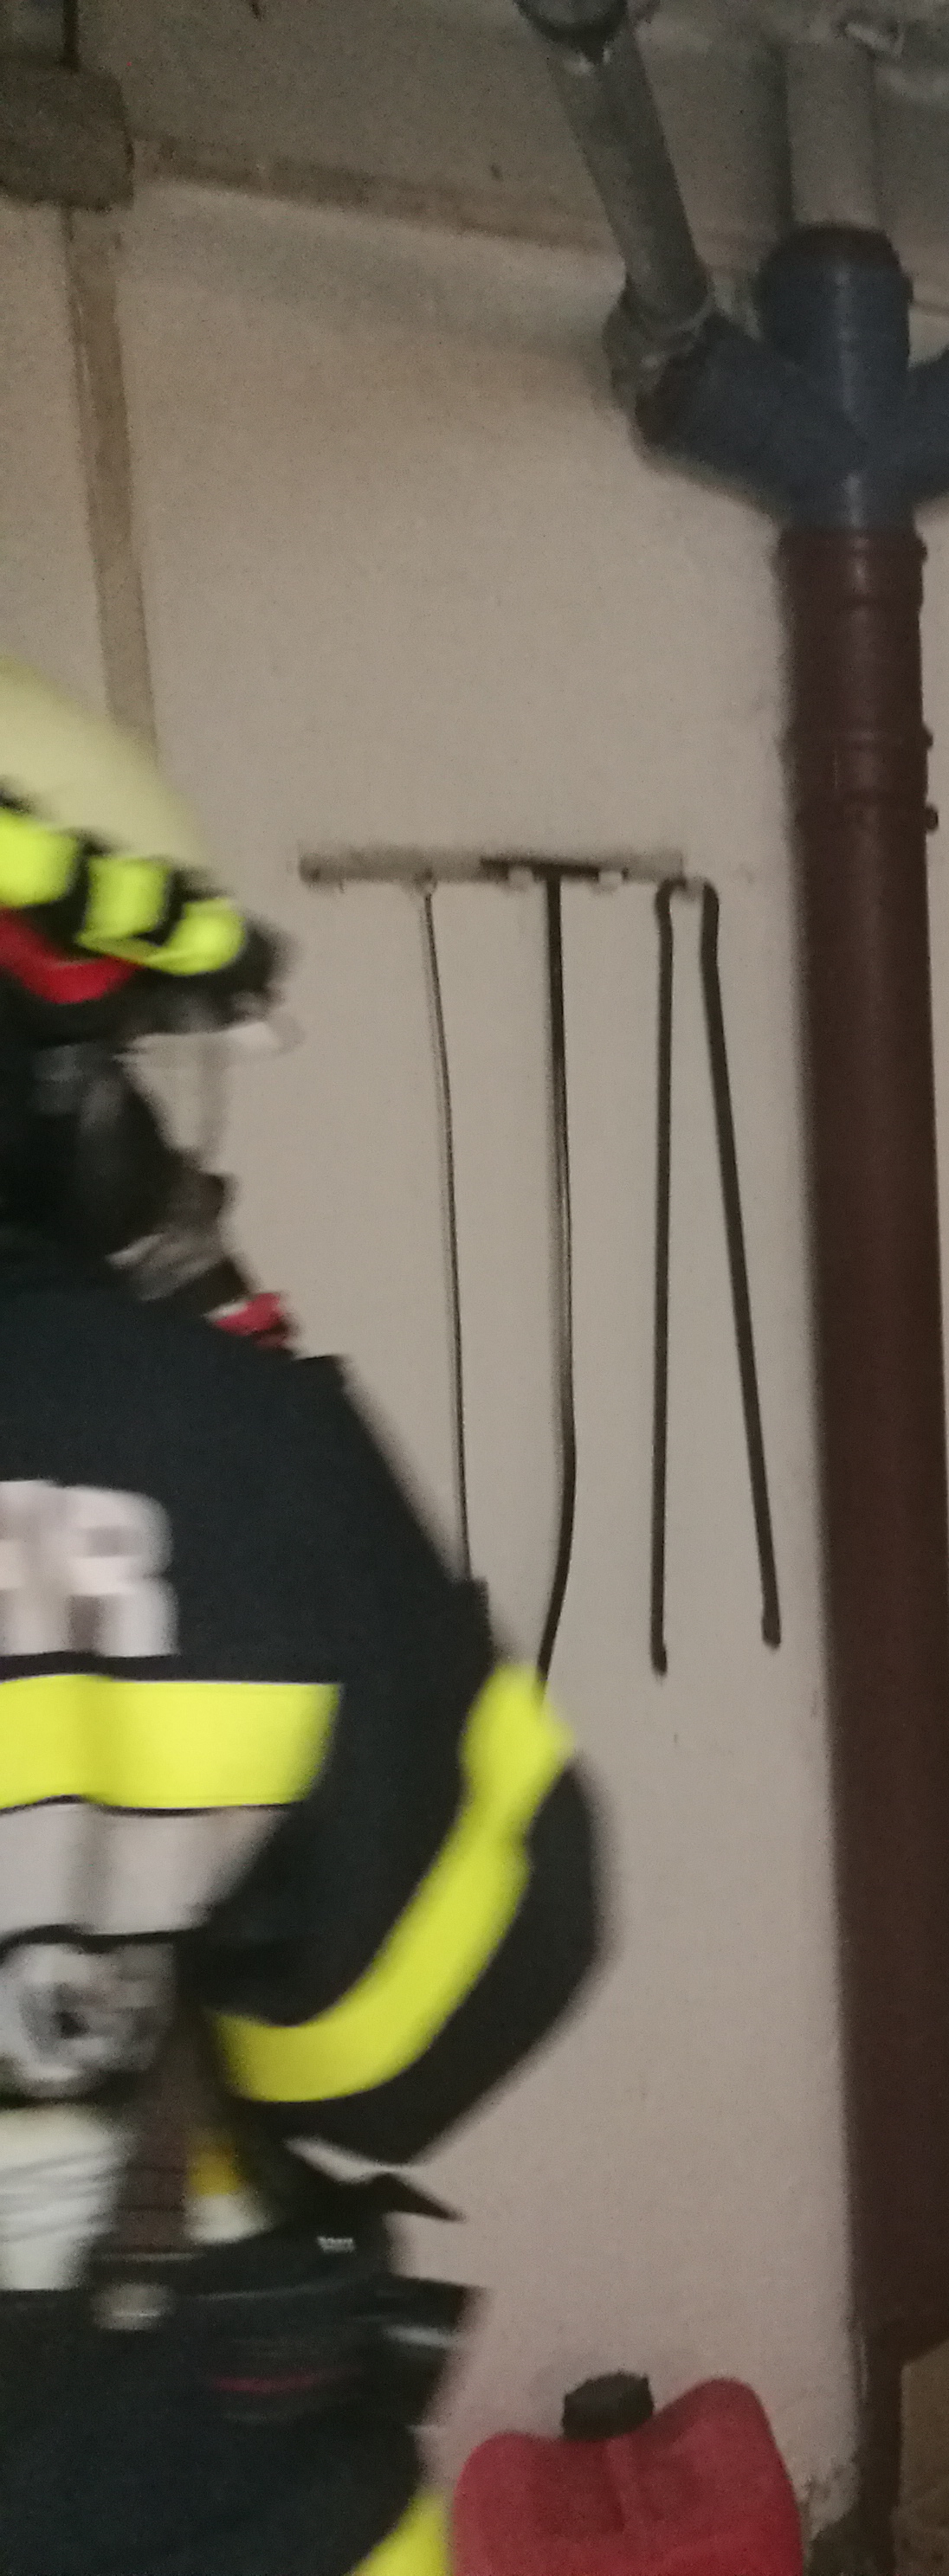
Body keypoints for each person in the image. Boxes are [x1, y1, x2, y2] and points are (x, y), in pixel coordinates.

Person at [0, 661, 602, 2576]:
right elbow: (417, 2022)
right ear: (57, 1080)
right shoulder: (221, 1450)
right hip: (175, 2489)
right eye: (132, 1065)